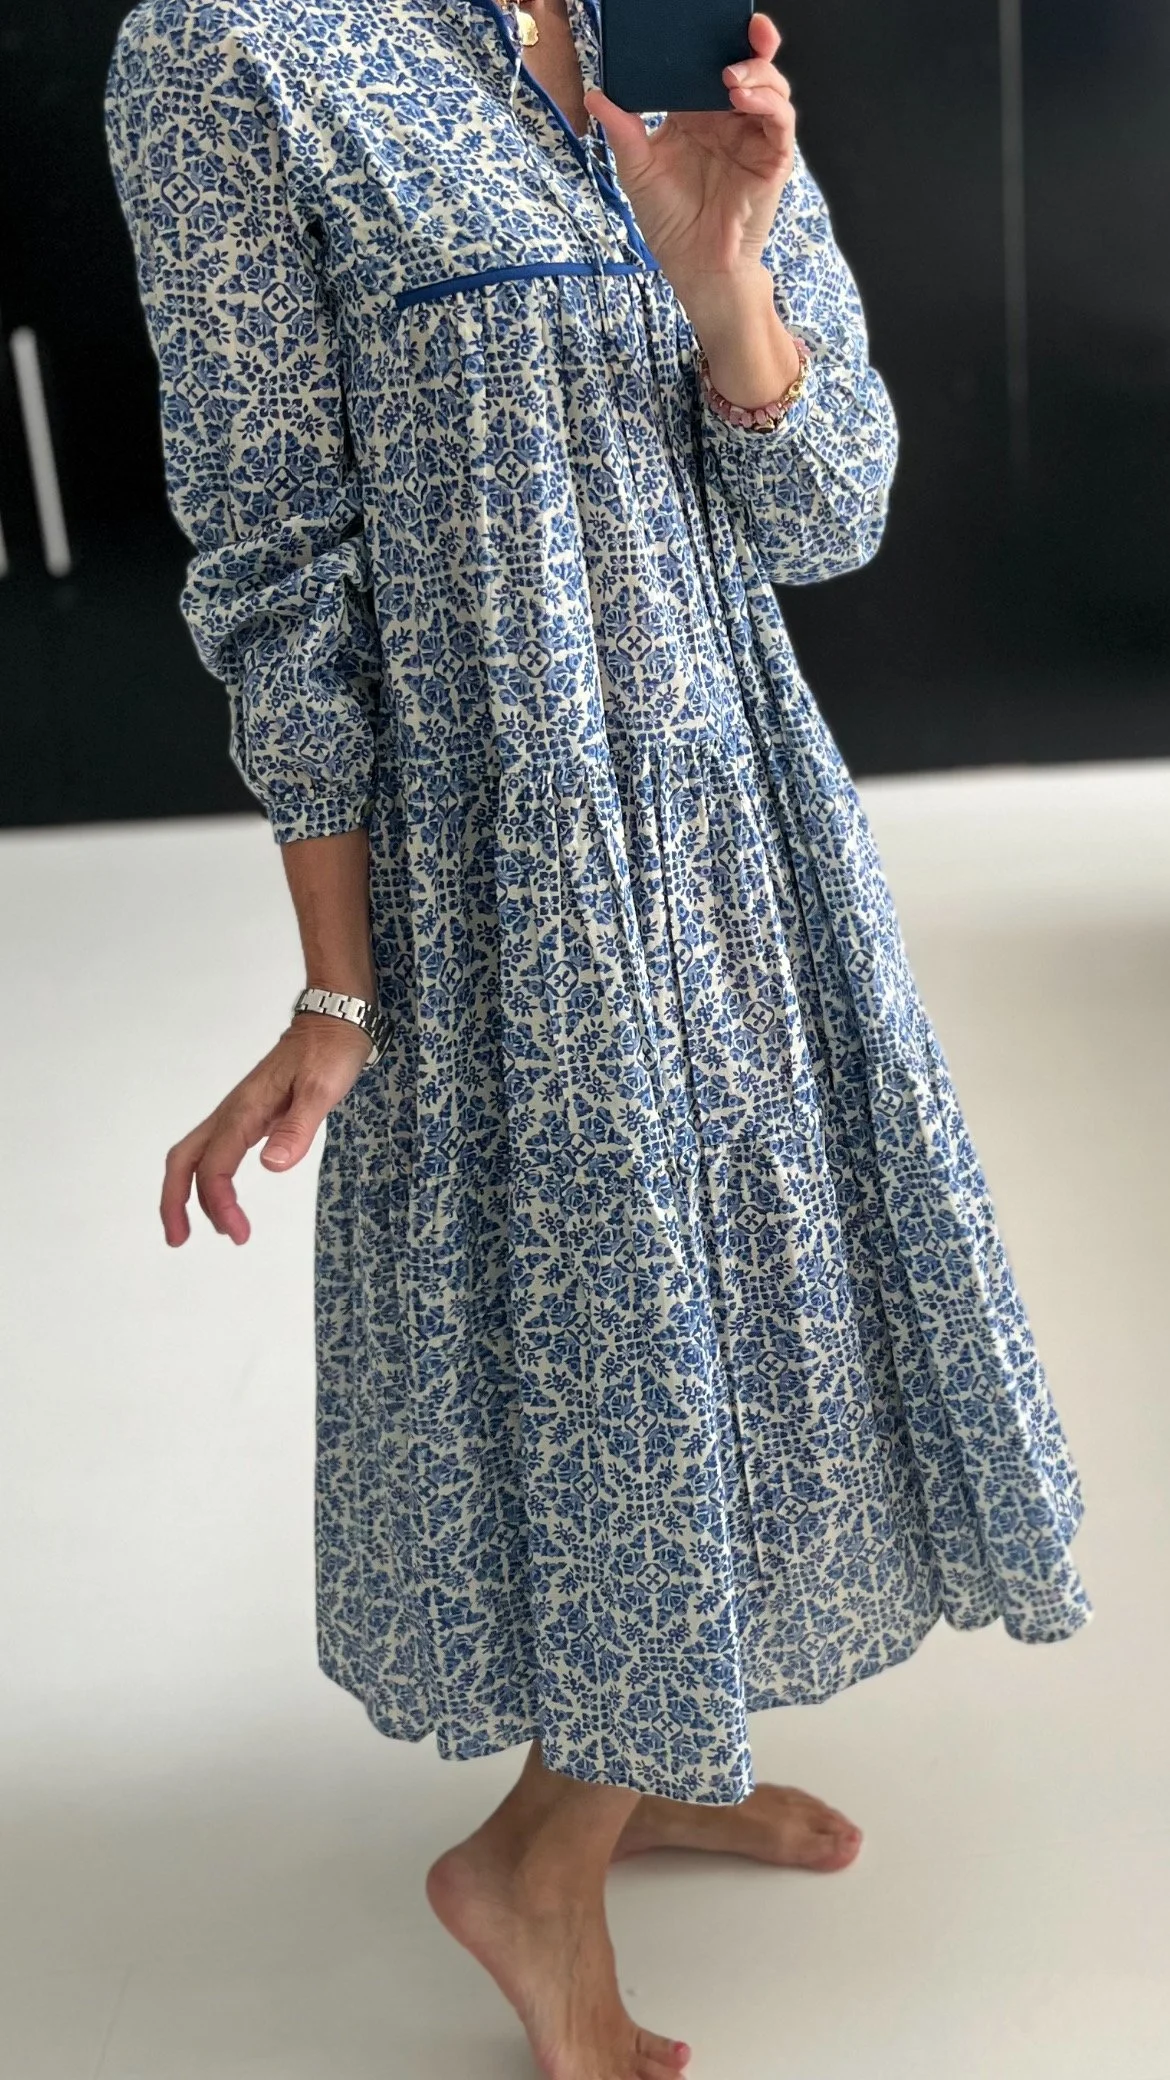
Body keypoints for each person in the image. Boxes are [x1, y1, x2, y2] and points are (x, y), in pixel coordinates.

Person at [104, 1, 1092, 2073]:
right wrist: (336, 980)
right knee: (607, 1337)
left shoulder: (663, 31)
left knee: (762, 1306)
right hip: (504, 862)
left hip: (739, 818)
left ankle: (656, 1738)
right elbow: (272, 559)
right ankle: (534, 1861)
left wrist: (719, 268)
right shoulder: (235, 52)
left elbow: (830, 509)